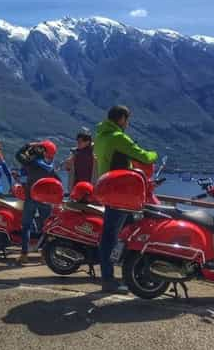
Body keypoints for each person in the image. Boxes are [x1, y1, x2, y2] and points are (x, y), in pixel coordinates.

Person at [95, 105, 158, 293]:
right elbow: (144, 156)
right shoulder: (118, 138)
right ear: (121, 119)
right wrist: (154, 154)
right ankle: (108, 280)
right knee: (111, 235)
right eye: (127, 119)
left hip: (107, 188)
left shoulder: (100, 136)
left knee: (123, 232)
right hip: (121, 192)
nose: (128, 123)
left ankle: (127, 272)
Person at [15, 140, 58, 265]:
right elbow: (58, 182)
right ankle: (45, 256)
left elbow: (18, 154)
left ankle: (24, 255)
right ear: (44, 155)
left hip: (31, 199)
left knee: (26, 226)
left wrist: (29, 145)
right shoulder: (49, 168)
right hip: (45, 200)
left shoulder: (29, 163)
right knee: (47, 228)